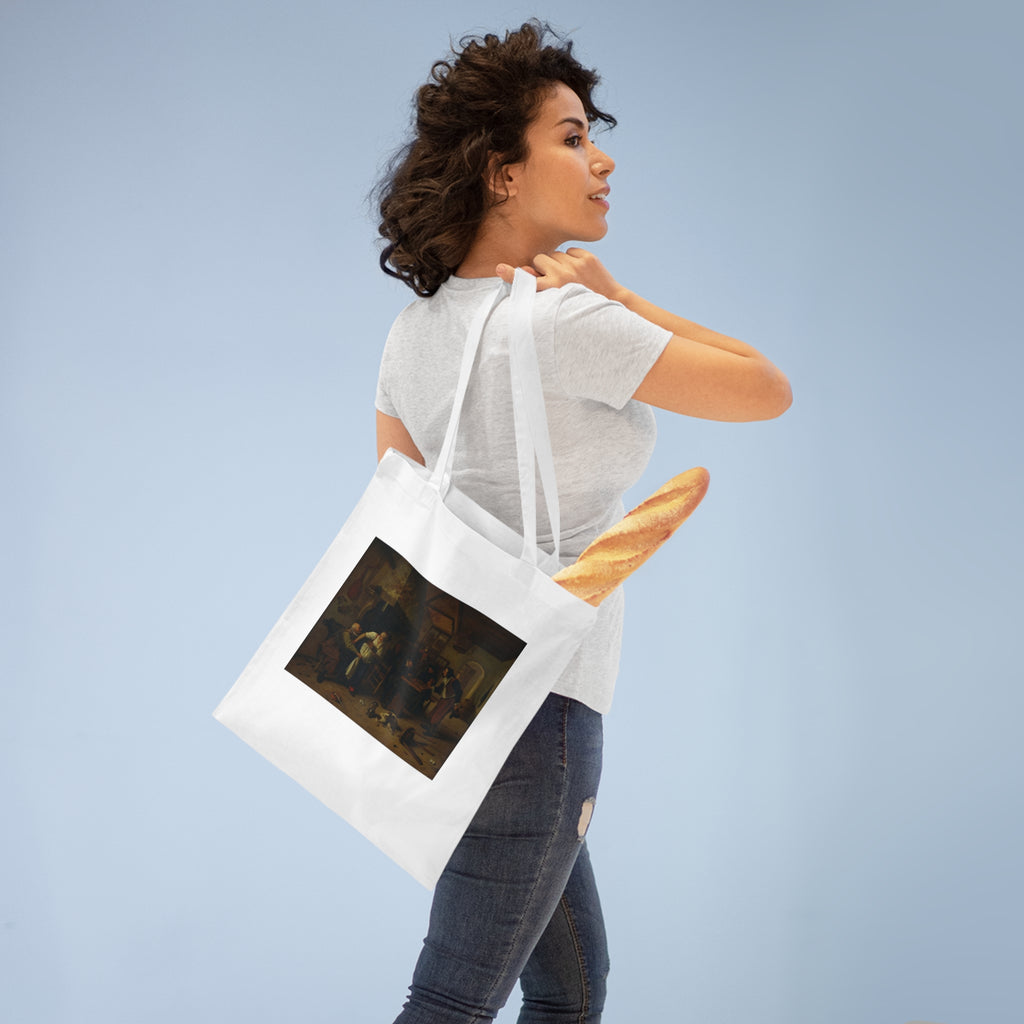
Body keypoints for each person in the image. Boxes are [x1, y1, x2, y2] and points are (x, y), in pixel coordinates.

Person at [373, 20, 791, 1024]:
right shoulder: (565, 319)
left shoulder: (413, 329)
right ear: (501, 173)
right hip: (543, 701)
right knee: (452, 999)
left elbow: (396, 505)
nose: (600, 158)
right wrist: (626, 299)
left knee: (569, 985)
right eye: (569, 136)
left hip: (447, 694)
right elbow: (766, 389)